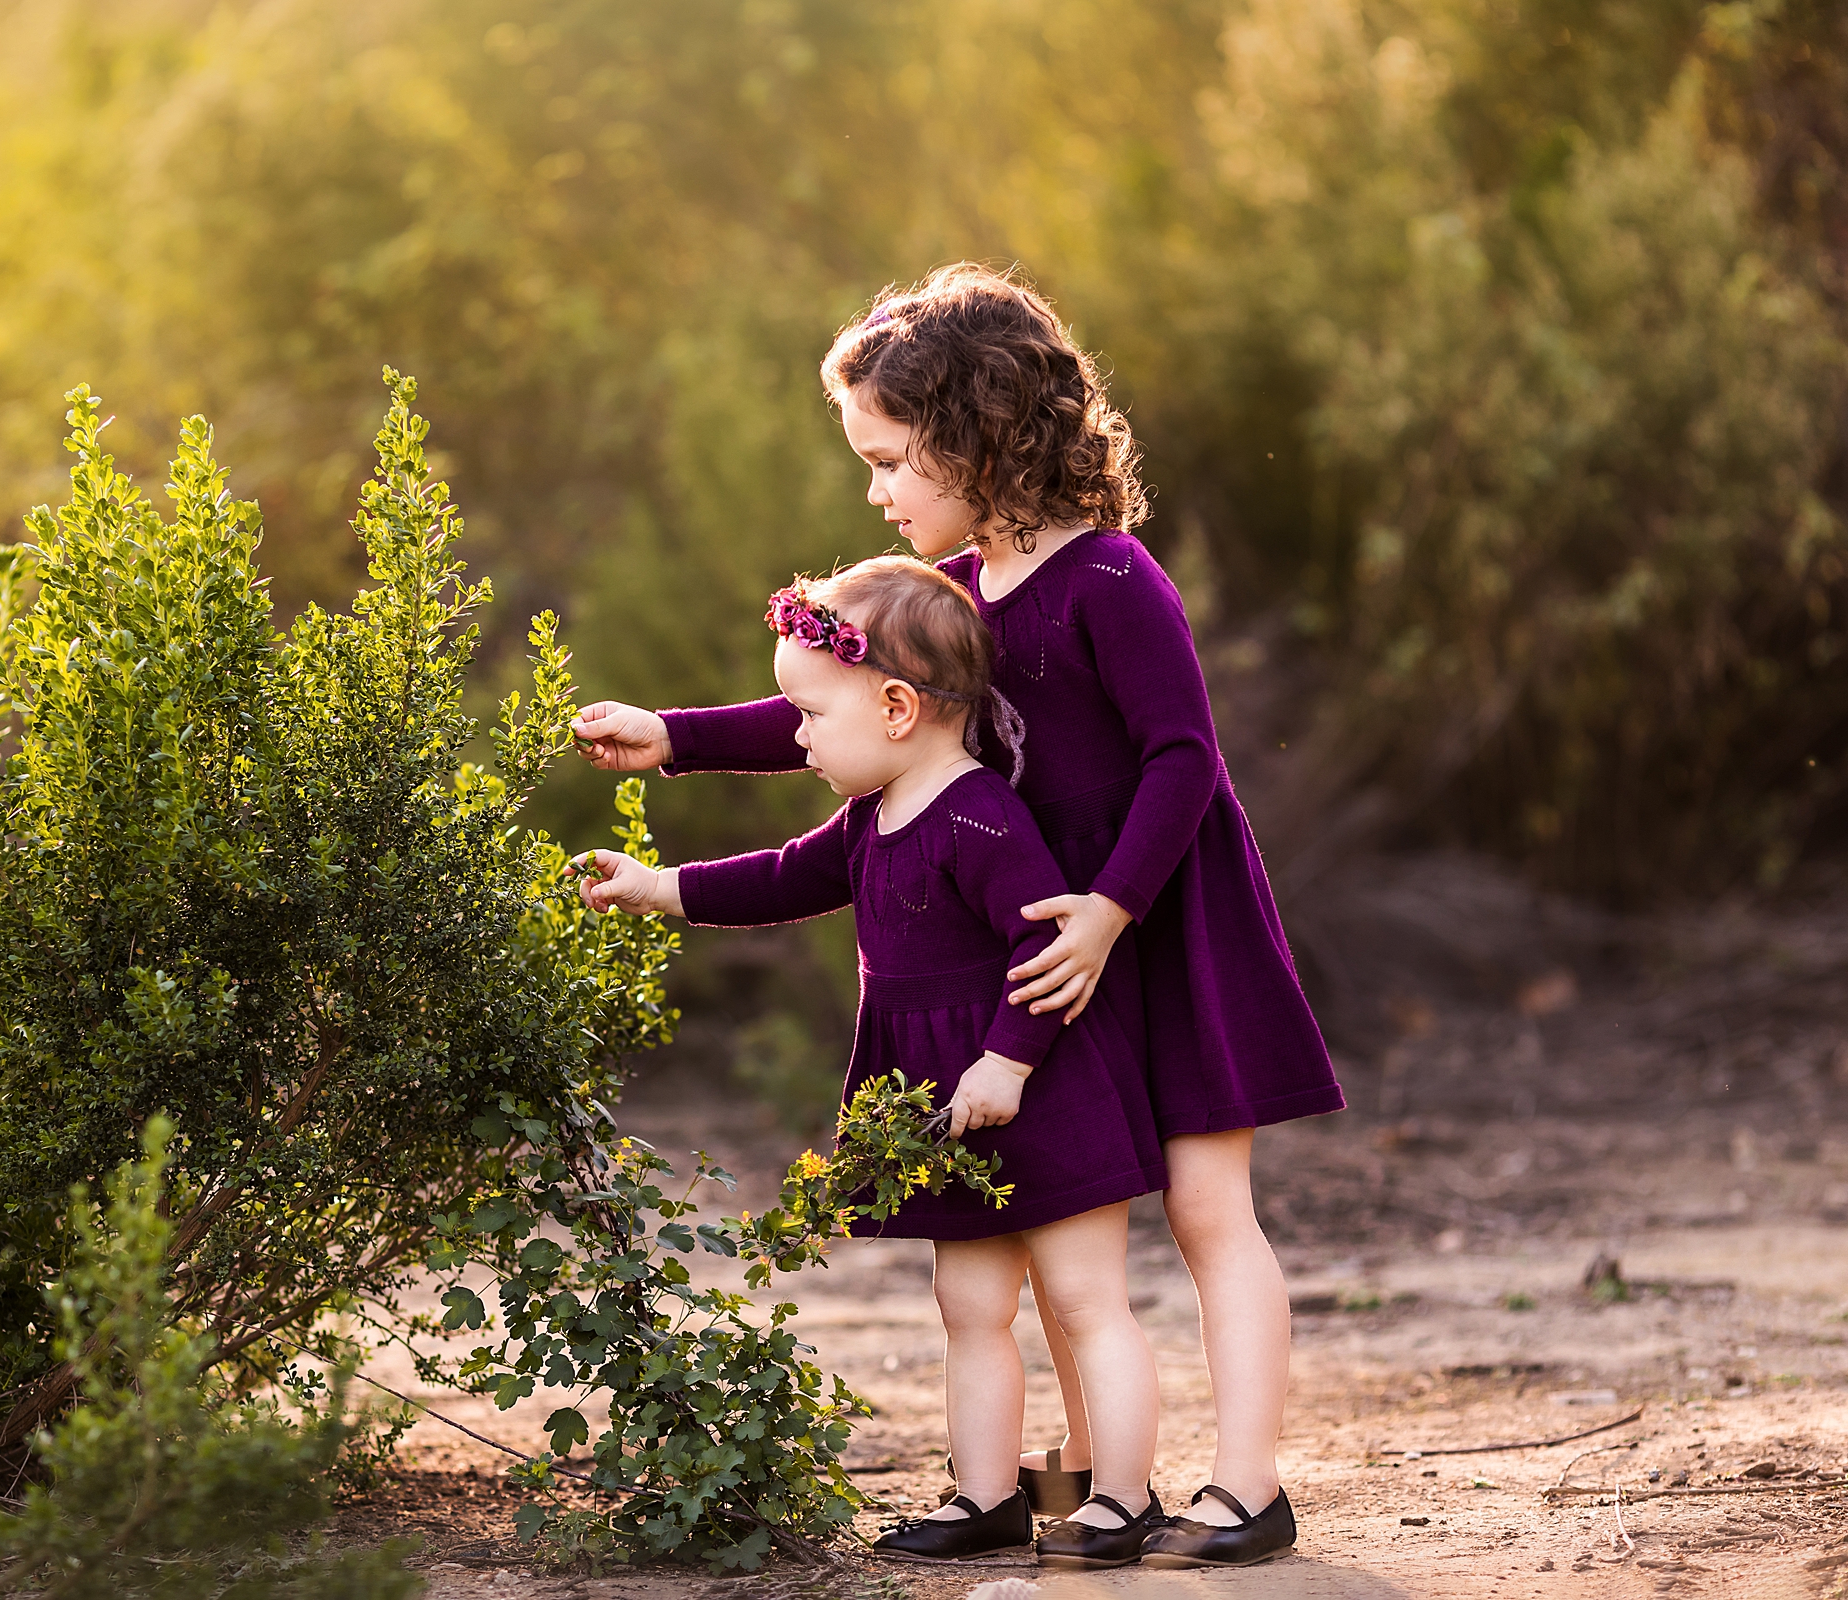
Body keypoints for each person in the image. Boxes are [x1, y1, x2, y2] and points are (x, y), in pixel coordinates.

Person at [573, 264, 1341, 1570]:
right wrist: (674, 740)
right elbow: (840, 709)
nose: (874, 490)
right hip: (1037, 935)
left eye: (889, 460)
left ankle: (1249, 1487)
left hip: (1158, 912)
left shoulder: (1111, 577)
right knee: (1060, 1225)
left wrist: (1109, 911)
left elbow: (1183, 759)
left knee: (1210, 1211)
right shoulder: (951, 601)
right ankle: (1089, 1485)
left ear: (976, 439)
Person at [579, 555, 1169, 1564]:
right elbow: (781, 877)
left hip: (1042, 1089)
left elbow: (1041, 949)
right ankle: (986, 1497)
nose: (797, 735)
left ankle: (1123, 1497)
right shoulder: (869, 818)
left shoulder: (984, 817)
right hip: (945, 1112)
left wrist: (1009, 1062)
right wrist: (663, 885)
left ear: (897, 707)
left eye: (809, 714)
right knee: (968, 1305)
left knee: (1085, 1300)